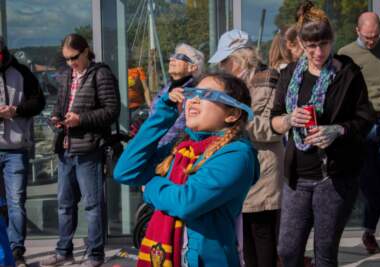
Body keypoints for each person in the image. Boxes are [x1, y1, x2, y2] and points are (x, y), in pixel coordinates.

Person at [113, 72, 260, 267]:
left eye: (207, 95)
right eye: (193, 94)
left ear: (232, 114)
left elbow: (186, 202)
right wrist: (165, 112)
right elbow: (125, 171)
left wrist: (149, 187)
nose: (194, 100)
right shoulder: (182, 146)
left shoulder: (237, 154)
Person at [270, 2, 375, 266]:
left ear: (333, 41)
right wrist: (289, 120)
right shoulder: (291, 75)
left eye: (324, 44)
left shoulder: (347, 73)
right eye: (311, 46)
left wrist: (337, 130)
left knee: (325, 252)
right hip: (298, 175)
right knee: (287, 249)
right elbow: (274, 120)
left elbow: (365, 118)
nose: (318, 52)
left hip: (334, 175)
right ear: (302, 45)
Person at [40, 34, 120, 267]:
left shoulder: (101, 74)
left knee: (92, 204)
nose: (70, 63)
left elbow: (111, 110)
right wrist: (55, 119)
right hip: (65, 148)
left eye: (74, 57)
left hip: (89, 148)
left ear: (86, 51)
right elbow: (58, 106)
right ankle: (64, 250)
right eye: (66, 59)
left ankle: (95, 254)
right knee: (64, 203)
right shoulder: (67, 75)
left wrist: (81, 119)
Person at [209, 29, 283, 267]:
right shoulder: (233, 85)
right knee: (244, 243)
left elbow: (273, 127)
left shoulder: (268, 78)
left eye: (225, 60)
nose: (222, 66)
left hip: (263, 169)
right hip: (239, 169)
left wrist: (235, 118)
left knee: (262, 238)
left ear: (240, 56)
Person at [338, 11, 380, 254]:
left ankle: (369, 233)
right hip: (360, 124)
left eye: (376, 36)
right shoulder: (346, 53)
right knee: (366, 180)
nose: (372, 41)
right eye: (367, 37)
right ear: (357, 31)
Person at [0, 37, 45, 267]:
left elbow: (39, 102)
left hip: (16, 148)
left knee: (16, 201)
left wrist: (16, 110)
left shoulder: (21, 73)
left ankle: (16, 251)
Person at [149, 43, 204, 146]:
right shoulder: (167, 88)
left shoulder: (193, 94)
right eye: (173, 55)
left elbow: (178, 130)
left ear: (192, 67)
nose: (172, 59)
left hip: (170, 150)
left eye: (180, 56)